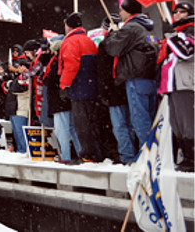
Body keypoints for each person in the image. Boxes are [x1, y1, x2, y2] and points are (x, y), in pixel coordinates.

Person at [104, 0, 158, 150]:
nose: (120, 12)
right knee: (150, 117)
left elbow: (113, 48)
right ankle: (153, 151)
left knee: (139, 119)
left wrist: (112, 34)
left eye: (121, 9)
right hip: (151, 78)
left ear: (128, 11)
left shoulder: (132, 28)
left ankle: (146, 154)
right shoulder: (148, 28)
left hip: (136, 78)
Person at [59, 12, 101, 162]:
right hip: (91, 87)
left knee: (81, 123)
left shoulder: (71, 42)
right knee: (91, 121)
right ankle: (95, 152)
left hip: (79, 88)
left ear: (69, 26)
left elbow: (70, 65)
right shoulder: (88, 40)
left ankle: (88, 155)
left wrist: (64, 84)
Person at [160, 1, 194, 172]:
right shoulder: (180, 32)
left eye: (182, 12)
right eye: (175, 11)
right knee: (178, 124)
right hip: (174, 85)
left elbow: (186, 52)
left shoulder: (191, 31)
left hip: (186, 84)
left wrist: (172, 38)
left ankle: (192, 158)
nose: (177, 14)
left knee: (188, 123)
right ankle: (186, 156)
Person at [98, 15, 135, 164]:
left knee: (120, 125)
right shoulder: (128, 40)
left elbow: (102, 71)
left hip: (113, 90)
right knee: (132, 124)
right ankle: (136, 152)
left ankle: (127, 156)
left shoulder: (107, 44)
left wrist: (102, 92)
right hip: (129, 86)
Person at [44, 40, 81, 163]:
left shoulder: (57, 63)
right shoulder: (69, 59)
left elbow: (50, 80)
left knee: (62, 130)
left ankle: (65, 156)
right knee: (73, 128)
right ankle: (81, 153)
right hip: (68, 99)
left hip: (58, 100)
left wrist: (45, 77)